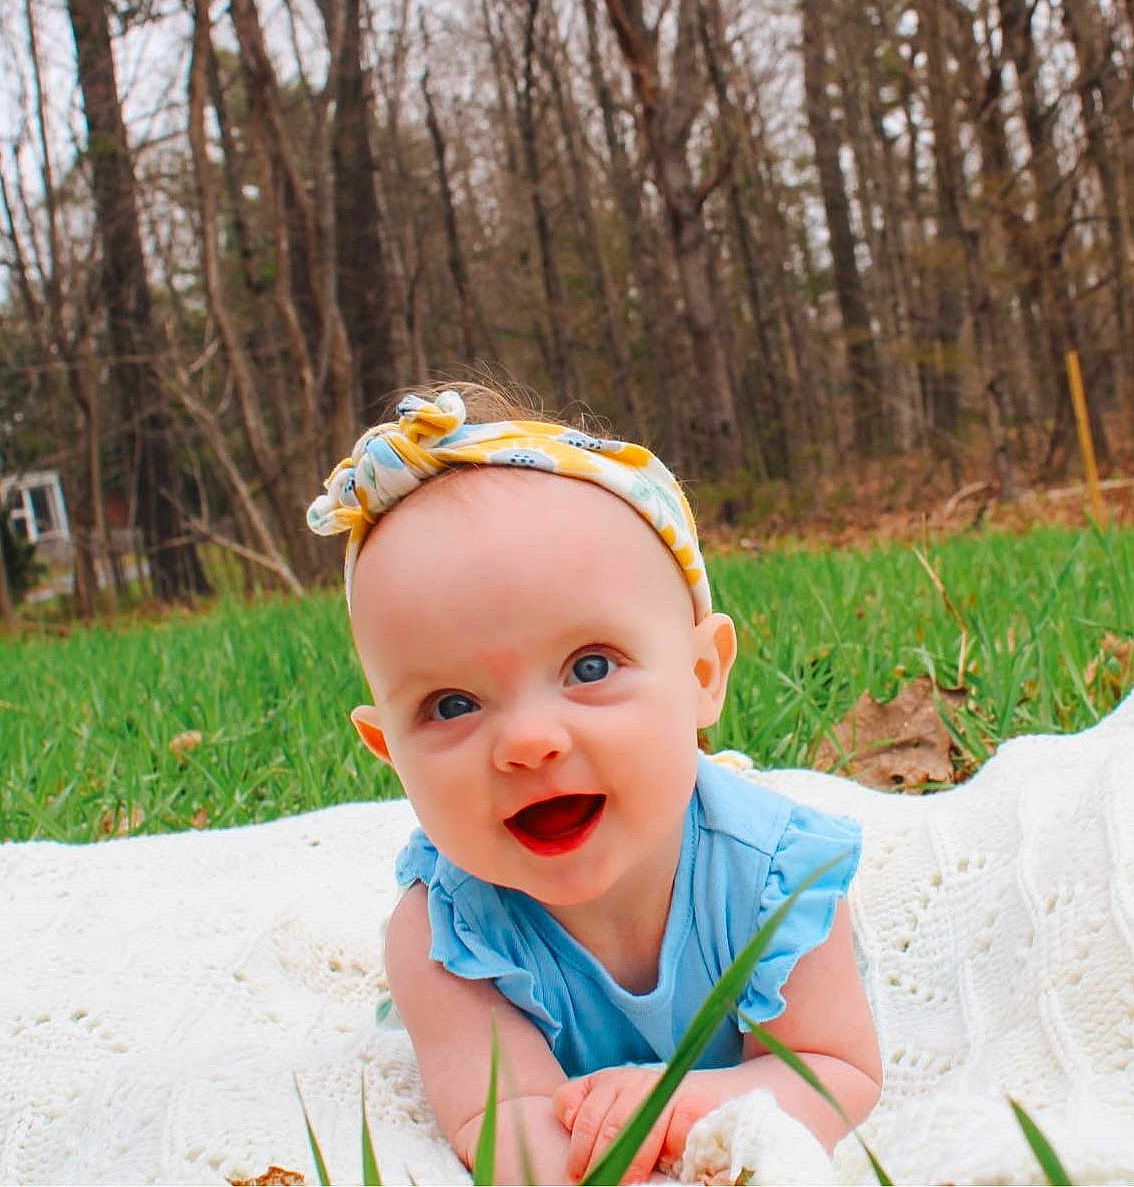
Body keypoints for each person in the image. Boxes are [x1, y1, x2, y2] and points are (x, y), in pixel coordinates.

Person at [307, 385, 882, 1184]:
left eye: (589, 667)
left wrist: (680, 1107)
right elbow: (501, 1118)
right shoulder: (444, 935)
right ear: (387, 750)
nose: (529, 742)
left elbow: (833, 1072)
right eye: (451, 705)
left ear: (702, 672)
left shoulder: (783, 876)